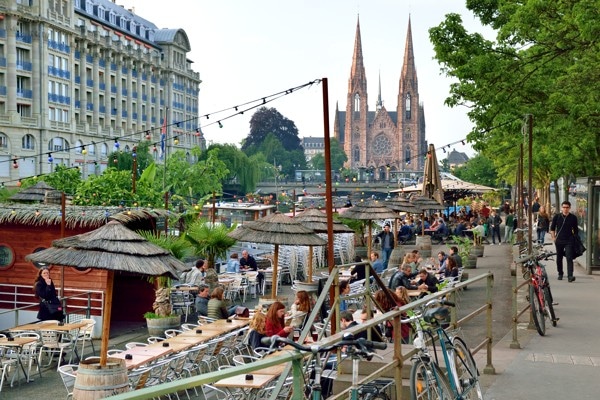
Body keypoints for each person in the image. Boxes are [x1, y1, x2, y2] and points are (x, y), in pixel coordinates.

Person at [550, 201, 579, 282]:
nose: (565, 209)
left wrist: (574, 239)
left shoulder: (573, 217)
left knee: (569, 257)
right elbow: (552, 228)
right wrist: (553, 238)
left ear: (569, 208)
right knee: (559, 258)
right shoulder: (557, 217)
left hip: (569, 240)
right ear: (561, 208)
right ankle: (560, 273)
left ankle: (570, 276)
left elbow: (576, 230)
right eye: (564, 207)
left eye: (567, 207)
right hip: (559, 240)